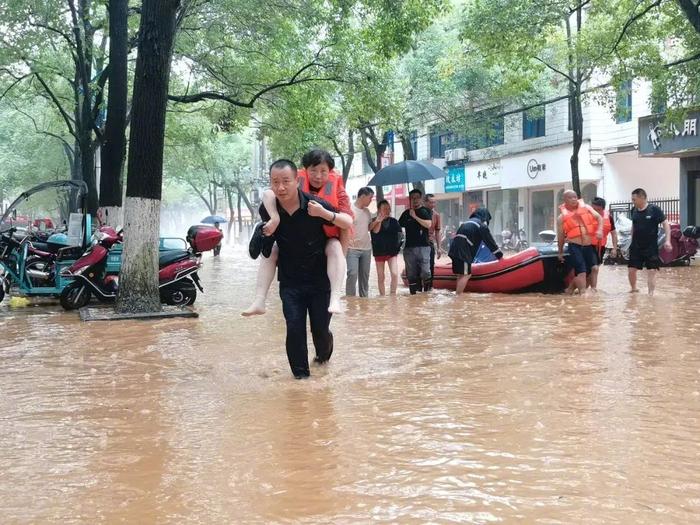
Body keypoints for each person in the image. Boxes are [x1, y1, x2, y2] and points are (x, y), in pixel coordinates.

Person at [242, 149, 353, 316]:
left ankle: (335, 297)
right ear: (304, 171)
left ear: (330, 172)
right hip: (296, 242)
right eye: (313, 171)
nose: (317, 176)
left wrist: (324, 213)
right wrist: (274, 218)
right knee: (271, 251)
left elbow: (347, 220)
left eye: (323, 171)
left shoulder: (337, 189)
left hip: (326, 238)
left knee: (336, 248)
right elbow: (268, 194)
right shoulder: (289, 183)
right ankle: (259, 300)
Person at [258, 159, 340, 379]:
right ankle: (301, 380)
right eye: (275, 182)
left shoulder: (316, 205)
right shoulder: (269, 208)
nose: (281, 187)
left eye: (286, 181)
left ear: (297, 180)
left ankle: (322, 359)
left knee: (320, 331)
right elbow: (266, 244)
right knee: (294, 328)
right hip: (290, 281)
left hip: (320, 281)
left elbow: (342, 225)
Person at [557, 190, 603, 295]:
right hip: (574, 247)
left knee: (595, 268)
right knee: (582, 273)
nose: (574, 199)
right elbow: (560, 237)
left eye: (575, 197)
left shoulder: (587, 208)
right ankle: (583, 295)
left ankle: (572, 289)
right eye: (570, 197)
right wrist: (560, 252)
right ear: (564, 200)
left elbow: (599, 218)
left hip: (588, 246)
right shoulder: (561, 218)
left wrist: (599, 230)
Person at [448, 208, 503, 294]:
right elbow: (490, 242)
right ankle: (458, 297)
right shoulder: (481, 225)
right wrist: (500, 256)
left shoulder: (466, 223)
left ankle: (457, 294)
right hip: (463, 251)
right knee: (466, 274)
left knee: (461, 274)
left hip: (454, 250)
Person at [628, 188, 671, 295]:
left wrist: (668, 241)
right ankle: (633, 289)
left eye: (634, 199)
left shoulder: (654, 209)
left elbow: (666, 224)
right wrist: (630, 240)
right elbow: (633, 225)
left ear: (642, 198)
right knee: (631, 270)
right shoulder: (633, 210)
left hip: (650, 247)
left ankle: (650, 294)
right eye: (632, 200)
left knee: (652, 271)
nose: (633, 202)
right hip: (636, 246)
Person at [398, 188, 433, 294]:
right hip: (409, 247)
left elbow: (428, 224)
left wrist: (415, 217)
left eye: (417, 198)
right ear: (410, 199)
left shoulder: (425, 211)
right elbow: (398, 226)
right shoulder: (405, 213)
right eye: (412, 198)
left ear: (421, 199)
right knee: (411, 274)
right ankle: (413, 296)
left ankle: (426, 294)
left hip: (424, 246)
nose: (415, 200)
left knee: (426, 272)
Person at [369, 199, 402, 295]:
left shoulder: (394, 221)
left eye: (388, 209)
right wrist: (378, 221)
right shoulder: (373, 221)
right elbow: (375, 231)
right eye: (384, 209)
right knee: (381, 276)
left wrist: (398, 247)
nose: (387, 211)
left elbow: (400, 235)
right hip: (379, 252)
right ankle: (382, 296)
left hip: (392, 252)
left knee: (395, 274)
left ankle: (393, 295)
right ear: (379, 210)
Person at [346, 187, 374, 297]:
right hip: (352, 248)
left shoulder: (367, 212)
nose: (371, 200)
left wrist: (378, 220)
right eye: (370, 198)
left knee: (365, 277)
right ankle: (350, 300)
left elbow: (368, 228)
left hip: (366, 248)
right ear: (362, 196)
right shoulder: (349, 209)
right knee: (352, 274)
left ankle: (364, 301)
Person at [588, 197, 618, 289]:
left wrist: (614, 248)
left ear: (603, 209)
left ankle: (585, 290)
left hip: (601, 247)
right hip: (587, 246)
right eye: (594, 209)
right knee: (594, 268)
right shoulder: (587, 215)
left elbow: (614, 233)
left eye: (598, 209)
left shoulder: (609, 217)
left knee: (594, 270)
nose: (596, 212)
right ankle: (593, 290)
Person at [424, 193, 442, 284]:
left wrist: (439, 248)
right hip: (420, 243)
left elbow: (437, 232)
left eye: (434, 203)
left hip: (430, 243)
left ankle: (429, 288)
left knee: (431, 266)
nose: (433, 205)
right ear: (425, 202)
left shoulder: (436, 215)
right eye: (431, 202)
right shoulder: (419, 213)